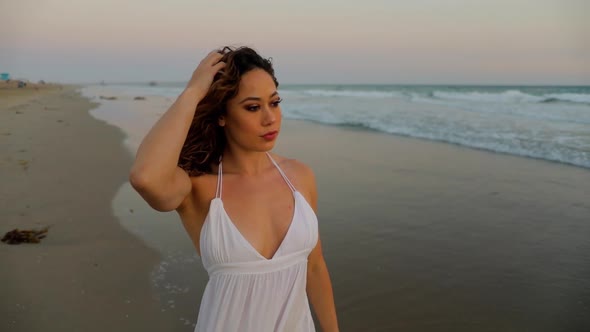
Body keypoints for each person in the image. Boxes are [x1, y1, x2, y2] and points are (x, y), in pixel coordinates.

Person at [129, 46, 339, 332]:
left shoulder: (300, 177)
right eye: (253, 107)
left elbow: (314, 266)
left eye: (274, 103)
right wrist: (193, 92)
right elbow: (145, 178)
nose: (270, 118)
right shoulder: (197, 187)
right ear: (222, 115)